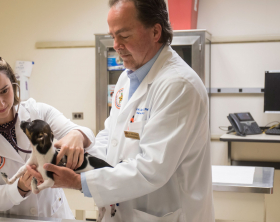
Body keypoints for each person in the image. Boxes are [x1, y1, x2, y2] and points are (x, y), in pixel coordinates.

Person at [27, 0, 215, 221]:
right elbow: (111, 138)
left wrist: (79, 182)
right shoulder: (127, 77)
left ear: (155, 31)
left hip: (167, 214)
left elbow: (151, 168)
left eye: (124, 36)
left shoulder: (179, 85)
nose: (115, 45)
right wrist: (74, 159)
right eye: (112, 35)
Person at [0, 49, 95, 218]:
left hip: (54, 215)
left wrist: (77, 135)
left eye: (4, 90)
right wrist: (20, 186)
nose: (1, 103)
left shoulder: (38, 112)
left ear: (13, 83)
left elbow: (86, 133)